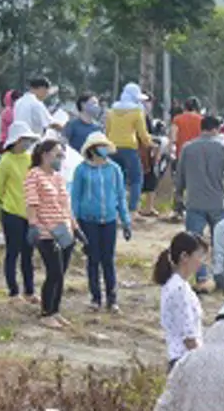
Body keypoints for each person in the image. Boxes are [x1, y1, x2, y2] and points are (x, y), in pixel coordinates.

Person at [173, 115, 224, 291]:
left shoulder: (188, 149)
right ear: (215, 129)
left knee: (195, 243)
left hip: (194, 202)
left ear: (201, 128)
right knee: (220, 242)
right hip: (217, 203)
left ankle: (201, 277)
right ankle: (221, 279)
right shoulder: (223, 148)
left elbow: (179, 176)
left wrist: (178, 198)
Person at [70, 131, 132, 313]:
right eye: (100, 146)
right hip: (88, 221)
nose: (104, 149)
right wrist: (74, 223)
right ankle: (95, 298)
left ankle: (112, 299)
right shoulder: (81, 170)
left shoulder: (114, 169)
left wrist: (126, 221)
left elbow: (121, 196)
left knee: (108, 260)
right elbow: (75, 198)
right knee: (93, 259)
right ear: (92, 149)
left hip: (110, 220)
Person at [24, 139, 78, 328]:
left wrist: (75, 227)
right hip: (46, 231)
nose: (60, 158)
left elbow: (65, 204)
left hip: (64, 230)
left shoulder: (58, 177)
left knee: (61, 273)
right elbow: (32, 202)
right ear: (45, 155)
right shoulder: (34, 175)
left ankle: (55, 310)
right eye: (57, 154)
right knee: (54, 272)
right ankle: (46, 312)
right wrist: (33, 225)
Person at [0, 129, 40, 301]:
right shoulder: (5, 161)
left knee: (28, 253)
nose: (27, 143)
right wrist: (8, 200)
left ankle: (30, 291)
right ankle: (13, 291)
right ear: (16, 140)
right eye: (25, 139)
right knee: (13, 252)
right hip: (12, 212)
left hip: (29, 212)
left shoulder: (30, 159)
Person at [156, 231, 207, 368]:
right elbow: (188, 335)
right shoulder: (179, 289)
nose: (201, 262)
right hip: (185, 361)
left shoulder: (176, 284)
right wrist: (204, 363)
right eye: (199, 256)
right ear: (185, 257)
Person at [104, 83, 153, 217]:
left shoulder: (111, 111)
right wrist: (150, 143)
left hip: (112, 147)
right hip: (129, 147)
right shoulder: (137, 111)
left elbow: (107, 131)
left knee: (115, 179)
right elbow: (142, 134)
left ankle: (112, 207)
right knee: (136, 178)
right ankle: (132, 210)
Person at [10, 76, 52, 145]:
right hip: (32, 142)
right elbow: (50, 123)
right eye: (46, 92)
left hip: (17, 141)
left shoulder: (18, 102)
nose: (46, 95)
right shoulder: (36, 102)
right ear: (41, 89)